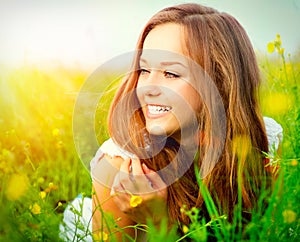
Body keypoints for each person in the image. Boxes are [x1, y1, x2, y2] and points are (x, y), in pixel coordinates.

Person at [61, 3, 283, 241]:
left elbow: (274, 234)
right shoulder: (118, 166)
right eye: (144, 70)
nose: (147, 88)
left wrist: (160, 220)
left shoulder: (264, 142)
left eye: (171, 74)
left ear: (219, 81)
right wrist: (156, 223)